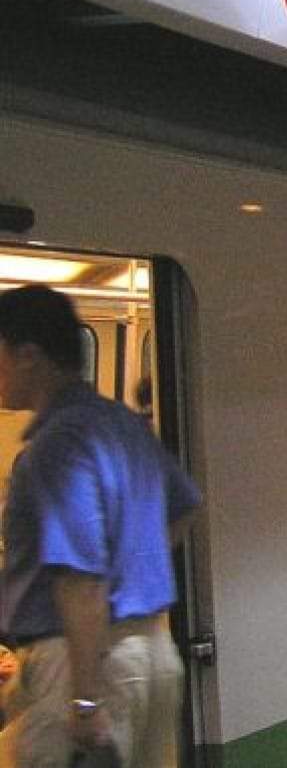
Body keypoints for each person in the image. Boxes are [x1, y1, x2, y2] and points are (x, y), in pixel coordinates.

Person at [0, 285, 200, 767]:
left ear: (27, 355)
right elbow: (185, 509)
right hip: (152, 653)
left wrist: (85, 700)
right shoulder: (122, 424)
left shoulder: (58, 445)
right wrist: (129, 572)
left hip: (82, 663)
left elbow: (80, 581)